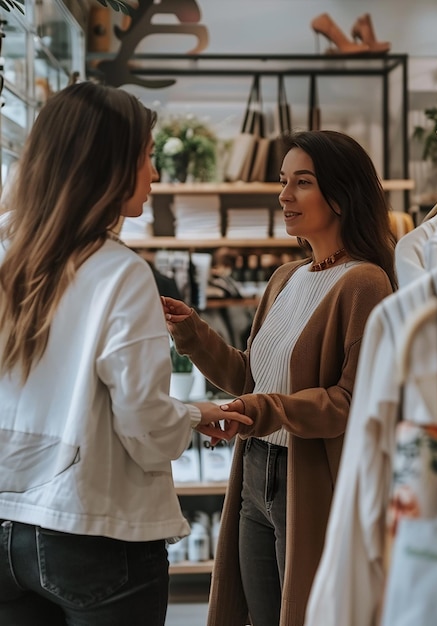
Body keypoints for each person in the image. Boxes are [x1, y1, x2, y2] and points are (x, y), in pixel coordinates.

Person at [0, 81, 252, 626]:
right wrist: (187, 420)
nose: (155, 173)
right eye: (147, 157)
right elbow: (145, 429)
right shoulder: (120, 273)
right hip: (96, 530)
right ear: (107, 164)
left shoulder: (7, 252)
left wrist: (189, 413)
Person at [162, 129, 398, 626]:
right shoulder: (286, 277)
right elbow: (250, 376)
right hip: (254, 475)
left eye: (302, 182)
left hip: (308, 479)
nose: (284, 196)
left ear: (341, 195)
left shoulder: (365, 282)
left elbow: (349, 402)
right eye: (283, 181)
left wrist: (260, 411)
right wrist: (192, 332)